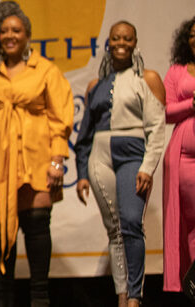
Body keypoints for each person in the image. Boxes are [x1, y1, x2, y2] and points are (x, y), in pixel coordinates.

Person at [0, 1, 73, 307]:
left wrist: (57, 160)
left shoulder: (45, 69)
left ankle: (40, 299)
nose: (9, 36)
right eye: (4, 31)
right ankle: (5, 299)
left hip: (37, 158)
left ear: (27, 35)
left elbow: (60, 118)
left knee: (37, 226)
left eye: (16, 30)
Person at [74, 21, 166, 307]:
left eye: (127, 38)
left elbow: (156, 128)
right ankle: (122, 296)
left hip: (133, 156)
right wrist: (81, 174)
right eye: (116, 38)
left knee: (131, 223)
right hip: (100, 158)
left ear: (135, 42)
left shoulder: (147, 78)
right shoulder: (96, 85)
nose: (121, 43)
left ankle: (135, 296)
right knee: (114, 230)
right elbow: (85, 135)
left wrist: (147, 167)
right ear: (109, 42)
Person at [162, 16, 195, 294]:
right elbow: (165, 111)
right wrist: (191, 104)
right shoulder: (177, 71)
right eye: (192, 34)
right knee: (193, 225)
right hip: (186, 160)